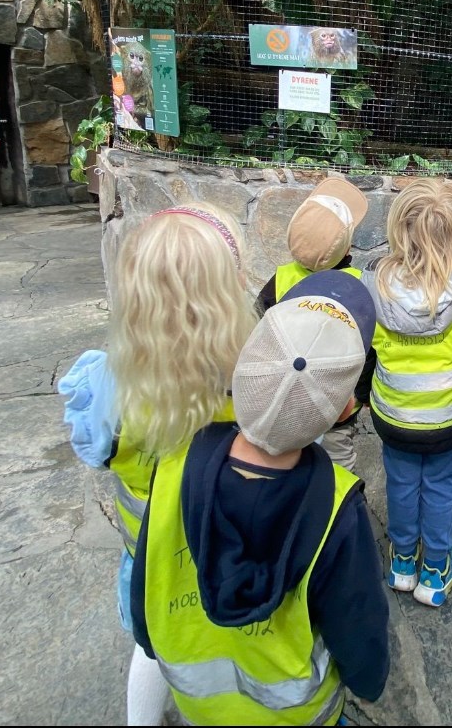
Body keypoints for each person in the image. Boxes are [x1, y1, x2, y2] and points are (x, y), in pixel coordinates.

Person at [130, 270, 391, 726]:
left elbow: (147, 576)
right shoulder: (338, 509)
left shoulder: (172, 466)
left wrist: (147, 635)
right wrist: (369, 679)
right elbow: (357, 623)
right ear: (346, 410)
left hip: (199, 709)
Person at [60, 204, 256, 726]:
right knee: (225, 654)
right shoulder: (253, 386)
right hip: (230, 559)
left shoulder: (107, 384)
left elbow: (94, 452)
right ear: (230, 289)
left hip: (147, 561)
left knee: (153, 647)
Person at [362, 177, 452, 607]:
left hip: (394, 416)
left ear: (397, 228)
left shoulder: (372, 284)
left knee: (401, 484)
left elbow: (363, 351)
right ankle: (436, 569)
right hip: (450, 417)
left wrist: (364, 395)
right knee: (441, 488)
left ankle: (403, 561)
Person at [257, 174, 370, 472]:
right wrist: (361, 394)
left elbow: (260, 339)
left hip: (287, 401)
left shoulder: (279, 280)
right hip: (337, 406)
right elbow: (369, 349)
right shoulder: (358, 287)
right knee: (337, 467)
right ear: (347, 248)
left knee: (290, 465)